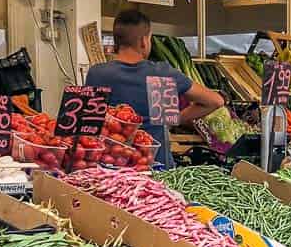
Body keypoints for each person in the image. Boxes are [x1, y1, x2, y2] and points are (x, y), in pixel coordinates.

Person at [85, 9, 224, 169]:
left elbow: (89, 124)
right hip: (155, 166)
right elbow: (215, 101)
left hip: (110, 166)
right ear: (144, 41)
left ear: (117, 41)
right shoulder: (161, 73)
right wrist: (178, 119)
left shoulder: (97, 73)